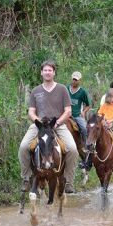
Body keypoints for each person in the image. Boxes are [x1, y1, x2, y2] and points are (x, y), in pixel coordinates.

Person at [18, 61, 79, 193]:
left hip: (58, 124)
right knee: (23, 147)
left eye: (50, 70)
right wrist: (38, 122)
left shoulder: (62, 89)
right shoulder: (35, 91)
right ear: (41, 72)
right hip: (39, 126)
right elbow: (31, 112)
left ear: (54, 72)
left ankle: (69, 181)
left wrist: (56, 123)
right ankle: (26, 178)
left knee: (73, 149)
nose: (47, 72)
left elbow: (68, 111)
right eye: (45, 70)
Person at [67, 71, 91, 144]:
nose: (74, 81)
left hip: (77, 115)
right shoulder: (66, 88)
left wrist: (83, 112)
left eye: (76, 80)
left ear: (80, 80)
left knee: (84, 129)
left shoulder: (83, 92)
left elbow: (88, 105)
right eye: (73, 79)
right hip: (65, 114)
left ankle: (85, 145)